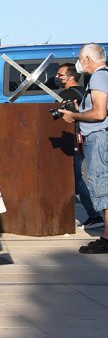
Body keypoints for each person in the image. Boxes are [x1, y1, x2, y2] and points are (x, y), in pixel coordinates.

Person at [59, 44, 108, 253]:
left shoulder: (98, 77)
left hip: (98, 137)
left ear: (87, 59)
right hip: (99, 137)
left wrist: (74, 116)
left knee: (102, 185)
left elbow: (99, 114)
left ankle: (106, 238)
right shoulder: (102, 76)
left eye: (80, 58)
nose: (79, 63)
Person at [56, 64, 102, 229]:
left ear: (70, 77)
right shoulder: (85, 91)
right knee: (80, 177)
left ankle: (94, 214)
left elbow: (60, 118)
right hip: (83, 138)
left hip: (72, 140)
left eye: (60, 75)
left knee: (76, 179)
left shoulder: (65, 94)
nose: (57, 77)